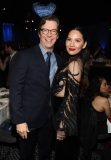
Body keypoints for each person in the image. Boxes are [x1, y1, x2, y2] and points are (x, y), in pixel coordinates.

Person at [9, 15, 63, 160]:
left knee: (45, 153)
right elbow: (15, 90)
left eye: (53, 31)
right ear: (39, 33)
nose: (49, 35)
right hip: (28, 118)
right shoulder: (24, 56)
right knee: (27, 155)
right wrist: (19, 119)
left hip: (49, 117)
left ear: (57, 35)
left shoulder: (59, 60)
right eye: (45, 30)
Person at [52, 26, 89, 160]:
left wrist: (63, 126)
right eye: (69, 39)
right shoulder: (72, 61)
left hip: (66, 115)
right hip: (64, 111)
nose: (72, 44)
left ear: (84, 44)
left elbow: (71, 98)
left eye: (77, 40)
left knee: (64, 154)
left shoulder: (74, 64)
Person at [79, 76, 111, 160]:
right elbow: (109, 116)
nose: (107, 87)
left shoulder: (88, 96)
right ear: (98, 87)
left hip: (86, 129)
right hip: (99, 130)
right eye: (105, 85)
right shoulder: (104, 100)